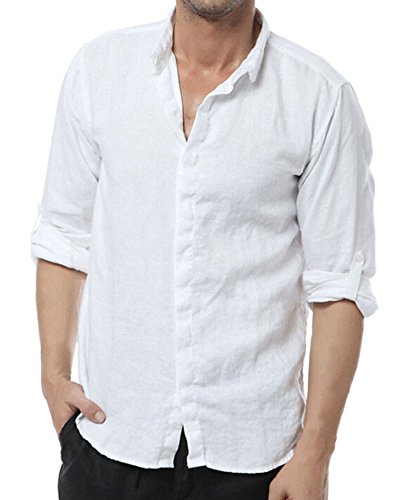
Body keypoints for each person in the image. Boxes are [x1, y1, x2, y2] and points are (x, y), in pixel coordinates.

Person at [30, 1, 378, 499]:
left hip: (255, 463)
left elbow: (339, 283)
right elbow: (64, 235)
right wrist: (53, 378)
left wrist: (315, 455)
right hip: (109, 441)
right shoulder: (99, 71)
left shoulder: (319, 98)